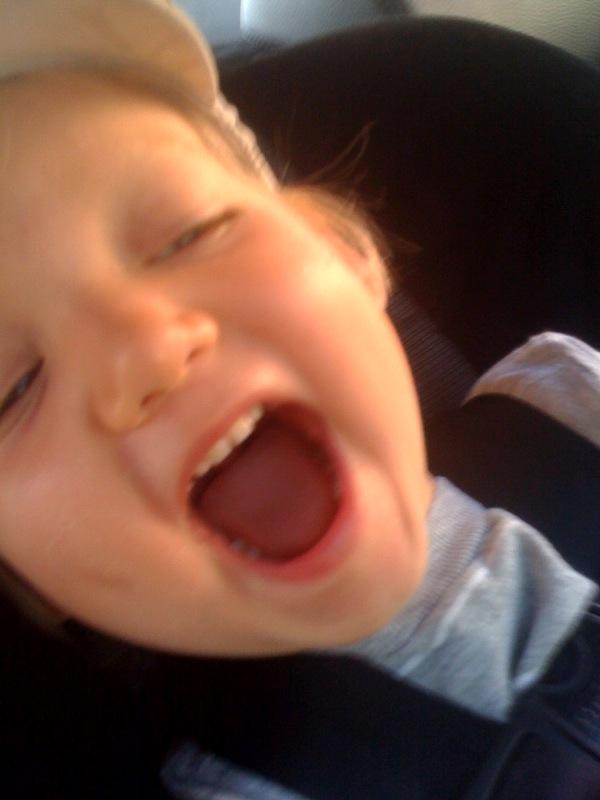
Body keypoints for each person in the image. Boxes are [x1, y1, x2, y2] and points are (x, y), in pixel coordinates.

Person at [0, 2, 597, 798]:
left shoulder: (567, 398)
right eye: (13, 390)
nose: (144, 351)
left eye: (188, 235)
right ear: (30, 584)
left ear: (343, 253)